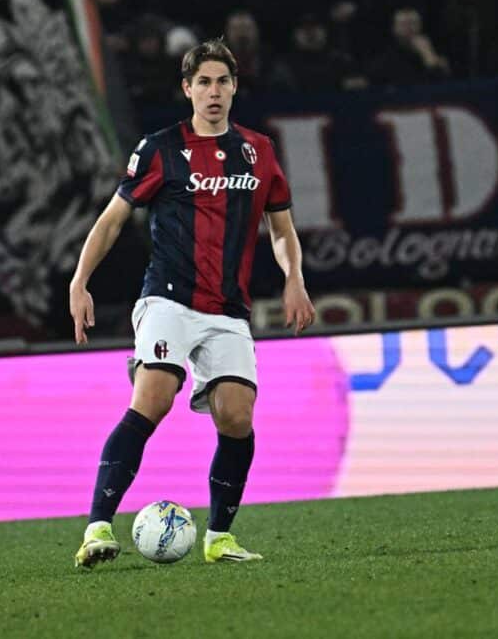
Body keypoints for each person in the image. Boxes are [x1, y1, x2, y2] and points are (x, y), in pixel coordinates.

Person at [70, 39, 316, 569]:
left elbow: (282, 229)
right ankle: (96, 529)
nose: (213, 92)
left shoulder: (258, 151)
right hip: (168, 300)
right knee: (153, 397)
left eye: (222, 82)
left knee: (236, 416)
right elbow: (113, 219)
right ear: (187, 89)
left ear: (234, 88)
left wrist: (295, 278)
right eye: (203, 82)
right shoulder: (160, 149)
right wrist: (80, 279)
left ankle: (219, 538)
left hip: (228, 309)